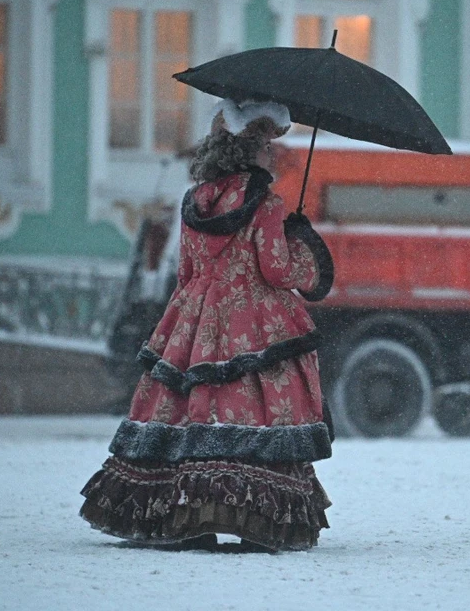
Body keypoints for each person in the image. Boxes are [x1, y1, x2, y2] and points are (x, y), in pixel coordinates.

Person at [80, 99, 335, 552]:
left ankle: (181, 512)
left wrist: (191, 311)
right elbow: (275, 270)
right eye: (264, 147)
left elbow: (188, 270)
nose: (272, 155)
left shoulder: (194, 200)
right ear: (248, 151)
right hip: (254, 318)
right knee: (254, 407)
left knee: (188, 406)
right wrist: (304, 251)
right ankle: (254, 515)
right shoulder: (267, 205)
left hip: (194, 316)